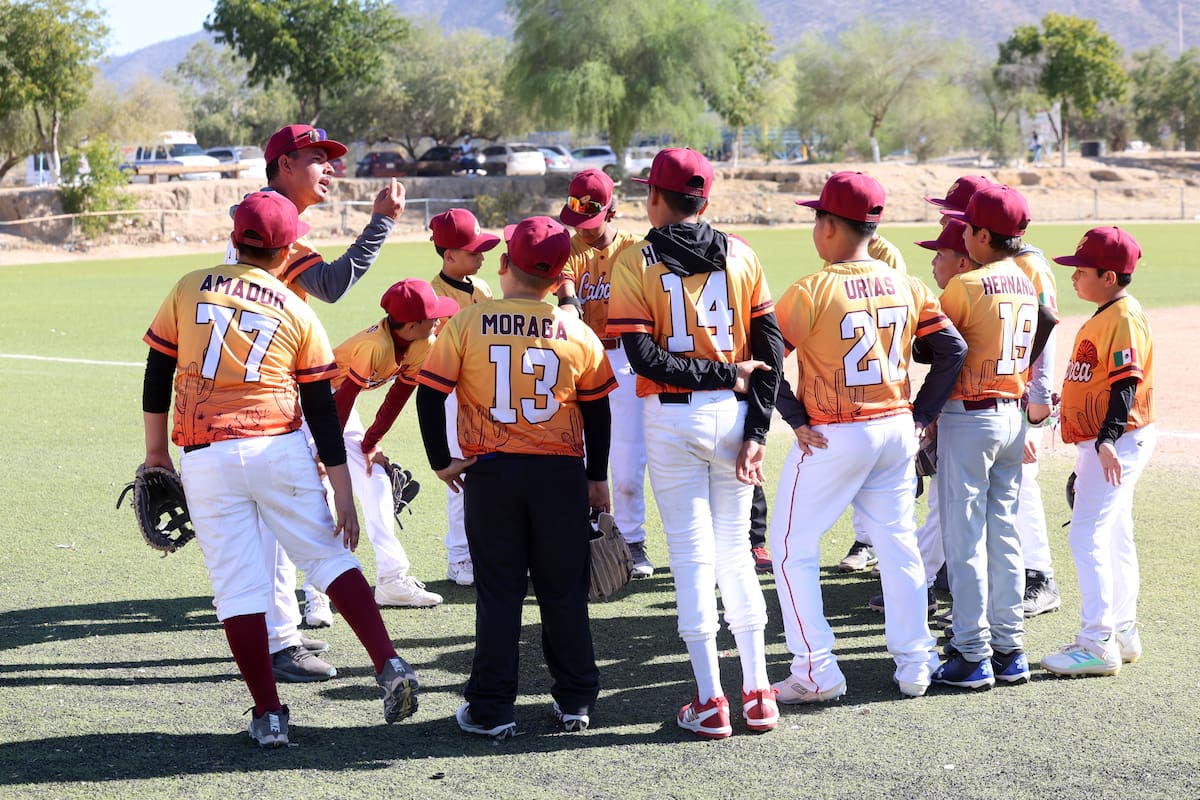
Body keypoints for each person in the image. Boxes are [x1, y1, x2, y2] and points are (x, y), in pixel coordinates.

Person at [140, 191, 419, 747]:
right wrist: (341, 487)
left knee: (238, 589)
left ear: (235, 234)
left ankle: (269, 715)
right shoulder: (296, 308)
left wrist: (155, 454)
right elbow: (320, 406)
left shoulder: (189, 285)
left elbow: (156, 370)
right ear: (289, 247)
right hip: (277, 447)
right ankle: (389, 664)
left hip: (206, 454)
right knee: (327, 557)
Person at [415, 216, 615, 738]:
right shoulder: (577, 329)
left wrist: (441, 460)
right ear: (557, 279)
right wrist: (598, 477)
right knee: (563, 592)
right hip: (560, 474)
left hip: (492, 473)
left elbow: (429, 393)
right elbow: (597, 412)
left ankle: (492, 709)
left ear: (503, 266)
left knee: (500, 593)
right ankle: (576, 700)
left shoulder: (468, 321)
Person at [770, 171, 966, 702]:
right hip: (896, 428)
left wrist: (793, 416)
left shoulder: (812, 288)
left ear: (829, 226)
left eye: (817, 217)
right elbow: (953, 350)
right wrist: (923, 414)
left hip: (837, 434)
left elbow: (764, 363)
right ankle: (917, 663)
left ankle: (815, 670)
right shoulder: (907, 283)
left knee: (790, 549)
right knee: (898, 543)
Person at [608, 148, 783, 738]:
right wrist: (757, 428)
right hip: (735, 415)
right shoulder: (742, 253)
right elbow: (771, 352)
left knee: (691, 557)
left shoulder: (634, 259)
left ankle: (711, 700)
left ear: (655, 197)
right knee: (735, 552)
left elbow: (642, 355)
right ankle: (758, 692)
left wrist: (719, 377)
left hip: (674, 415)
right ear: (705, 200)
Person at [225, 124, 407, 682]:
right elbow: (329, 284)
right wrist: (380, 224)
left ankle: (280, 635)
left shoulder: (264, 215)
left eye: (329, 159)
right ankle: (281, 640)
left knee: (267, 526)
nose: (329, 168)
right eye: (316, 159)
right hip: (265, 397)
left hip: (249, 391)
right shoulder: (270, 221)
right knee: (281, 521)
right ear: (283, 165)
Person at [930, 185, 1057, 690]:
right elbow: (1047, 321)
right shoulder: (1027, 280)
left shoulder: (967, 284)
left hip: (971, 415)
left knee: (964, 539)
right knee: (1004, 534)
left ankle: (971, 652)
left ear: (983, 234)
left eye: (968, 228)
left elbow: (934, 348)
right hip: (1012, 412)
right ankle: (1009, 649)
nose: (961, 234)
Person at [1041, 227, 1156, 677]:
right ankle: (1123, 631)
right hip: (1111, 441)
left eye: (1081, 270)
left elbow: (1126, 382)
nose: (1073, 277)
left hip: (1116, 442)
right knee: (1113, 534)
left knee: (1086, 534)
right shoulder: (1109, 311)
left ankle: (1097, 642)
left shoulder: (1123, 317)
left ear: (1108, 276)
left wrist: (1107, 438)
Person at [324, 279, 460, 609]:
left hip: (339, 407)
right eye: (433, 316)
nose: (439, 320)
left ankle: (391, 580)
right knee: (320, 490)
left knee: (377, 482)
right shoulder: (375, 346)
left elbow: (399, 395)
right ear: (411, 324)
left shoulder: (423, 340)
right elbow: (342, 401)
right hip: (310, 405)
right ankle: (318, 593)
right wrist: (325, 455)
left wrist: (370, 443)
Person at [866, 219, 977, 618]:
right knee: (952, 509)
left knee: (945, 507)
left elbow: (934, 351)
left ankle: (923, 585)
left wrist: (926, 414)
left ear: (963, 262)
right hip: (993, 411)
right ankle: (935, 584)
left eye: (940, 254)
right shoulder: (1000, 284)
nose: (932, 262)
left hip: (963, 412)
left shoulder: (961, 292)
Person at [555, 168, 654, 578]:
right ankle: (580, 535)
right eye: (578, 221)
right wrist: (568, 303)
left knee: (628, 462)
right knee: (573, 451)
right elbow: (565, 290)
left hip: (627, 359)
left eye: (592, 222)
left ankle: (632, 540)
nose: (584, 230)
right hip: (584, 360)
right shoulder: (569, 248)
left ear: (613, 211)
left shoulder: (637, 248)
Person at [427, 207, 502, 587]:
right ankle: (459, 556)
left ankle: (488, 549)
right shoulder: (433, 296)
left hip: (489, 394)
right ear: (448, 254)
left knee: (493, 472)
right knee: (461, 473)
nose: (481, 256)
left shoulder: (483, 288)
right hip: (453, 397)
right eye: (473, 251)